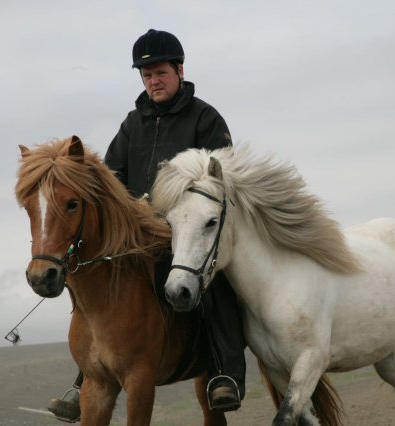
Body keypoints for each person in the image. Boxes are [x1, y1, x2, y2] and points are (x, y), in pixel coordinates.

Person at [47, 29, 246, 422]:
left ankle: (225, 374)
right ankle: (85, 374)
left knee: (216, 284)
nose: (153, 81)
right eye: (145, 75)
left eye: (159, 73)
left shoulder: (205, 118)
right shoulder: (132, 123)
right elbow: (111, 179)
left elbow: (220, 181)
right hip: (139, 237)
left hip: (190, 235)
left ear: (179, 70)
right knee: (94, 286)